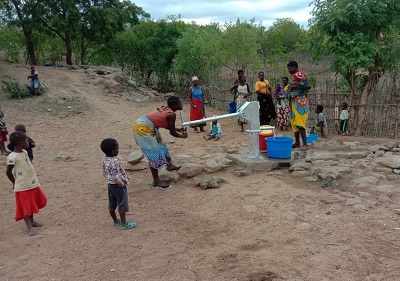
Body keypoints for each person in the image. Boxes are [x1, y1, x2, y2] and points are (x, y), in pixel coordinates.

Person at [133, 96, 188, 188]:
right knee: (154, 152)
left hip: (144, 124)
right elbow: (172, 132)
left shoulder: (166, 109)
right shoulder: (172, 114)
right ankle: (156, 181)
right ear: (174, 105)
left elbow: (163, 123)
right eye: (180, 102)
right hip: (143, 128)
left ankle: (169, 165)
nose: (182, 104)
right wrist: (182, 136)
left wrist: (178, 129)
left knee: (161, 144)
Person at [5, 131, 47, 236]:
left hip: (31, 183)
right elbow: (8, 172)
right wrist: (14, 183)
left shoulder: (24, 152)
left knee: (31, 203)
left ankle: (32, 221)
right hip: (22, 186)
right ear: (21, 143)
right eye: (27, 140)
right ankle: (29, 227)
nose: (28, 142)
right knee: (25, 207)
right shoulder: (12, 157)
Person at [101, 138, 136, 230]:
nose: (118, 150)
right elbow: (116, 176)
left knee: (112, 202)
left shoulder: (104, 160)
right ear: (113, 151)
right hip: (118, 185)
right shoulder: (114, 161)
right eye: (117, 149)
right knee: (122, 203)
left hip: (110, 184)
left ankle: (116, 221)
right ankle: (124, 224)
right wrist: (122, 183)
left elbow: (104, 172)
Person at [287, 61, 312, 150]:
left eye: (289, 68)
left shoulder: (301, 75)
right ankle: (297, 143)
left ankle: (305, 144)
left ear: (294, 67)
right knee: (294, 121)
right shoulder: (295, 76)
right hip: (295, 101)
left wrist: (296, 87)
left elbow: (309, 86)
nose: (289, 70)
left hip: (300, 102)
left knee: (300, 122)